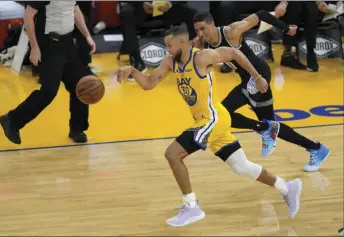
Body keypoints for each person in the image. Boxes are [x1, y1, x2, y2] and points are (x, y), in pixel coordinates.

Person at [114, 25, 302, 227]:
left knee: (172, 154)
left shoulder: (201, 57)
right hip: (207, 119)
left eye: (170, 45)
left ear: (183, 43)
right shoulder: (170, 61)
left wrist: (256, 76)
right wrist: (132, 70)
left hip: (213, 119)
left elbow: (234, 53)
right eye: (165, 45)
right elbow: (149, 83)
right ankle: (287, 187)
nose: (167, 49)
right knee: (241, 167)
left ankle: (191, 205)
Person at [192, 11, 330, 172]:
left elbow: (262, 14)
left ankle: (263, 128)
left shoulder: (231, 31)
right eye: (197, 31)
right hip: (246, 80)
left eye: (203, 29)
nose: (201, 34)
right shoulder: (202, 42)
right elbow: (186, 50)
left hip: (259, 75)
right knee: (273, 126)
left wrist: (285, 29)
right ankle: (316, 148)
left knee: (223, 113)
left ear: (213, 24)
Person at [0, 0, 96, 144]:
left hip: (67, 44)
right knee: (48, 92)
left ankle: (77, 128)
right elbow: (28, 16)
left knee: (80, 85)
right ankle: (12, 119)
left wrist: (87, 36)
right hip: (50, 46)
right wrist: (34, 47)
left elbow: (75, 10)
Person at [119, 1, 197, 73]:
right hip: (141, 10)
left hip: (166, 9)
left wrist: (170, 3)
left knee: (192, 13)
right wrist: (141, 3)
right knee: (126, 13)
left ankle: (190, 54)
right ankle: (137, 60)